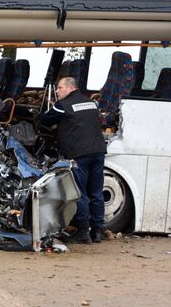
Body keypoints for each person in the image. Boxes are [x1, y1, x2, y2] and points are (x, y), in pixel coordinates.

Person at [40, 77, 107, 243]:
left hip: (79, 154)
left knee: (80, 193)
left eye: (60, 87)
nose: (57, 91)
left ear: (70, 88)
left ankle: (83, 232)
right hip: (98, 152)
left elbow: (45, 120)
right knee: (96, 192)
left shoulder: (62, 105)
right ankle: (97, 231)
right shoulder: (91, 103)